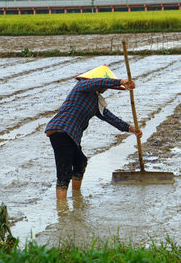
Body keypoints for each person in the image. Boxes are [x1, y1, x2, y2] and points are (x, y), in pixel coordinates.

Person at [45, 65, 142, 199]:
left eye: (107, 87)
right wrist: (120, 82)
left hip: (70, 135)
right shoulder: (83, 86)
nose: (105, 89)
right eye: (105, 86)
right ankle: (62, 210)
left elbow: (110, 117)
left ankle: (76, 198)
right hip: (61, 130)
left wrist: (131, 128)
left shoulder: (96, 102)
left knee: (80, 162)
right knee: (64, 173)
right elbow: (97, 82)